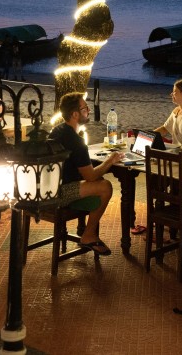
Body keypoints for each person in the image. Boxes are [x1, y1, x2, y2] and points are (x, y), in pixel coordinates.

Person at [47, 92, 124, 256]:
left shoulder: (57, 131)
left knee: (99, 181)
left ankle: (86, 231)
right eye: (85, 108)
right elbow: (90, 176)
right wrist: (110, 160)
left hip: (46, 188)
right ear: (75, 114)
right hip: (59, 193)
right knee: (105, 186)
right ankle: (88, 235)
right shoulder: (76, 141)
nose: (88, 111)